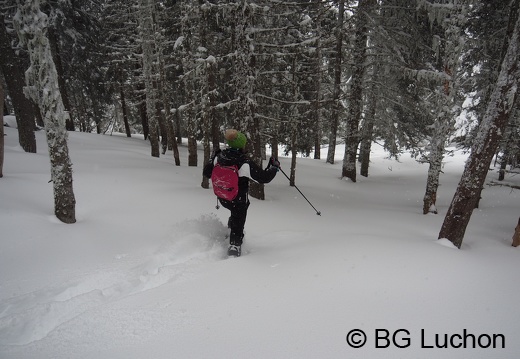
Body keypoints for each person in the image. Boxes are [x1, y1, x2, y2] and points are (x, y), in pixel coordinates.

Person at [203, 129, 280, 257]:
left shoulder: (219, 156)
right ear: (241, 145)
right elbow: (263, 178)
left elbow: (207, 173)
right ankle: (234, 245)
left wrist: (212, 159)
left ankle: (232, 225)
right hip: (237, 200)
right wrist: (274, 167)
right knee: (239, 216)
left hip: (222, 196)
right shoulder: (244, 163)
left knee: (238, 211)